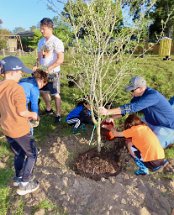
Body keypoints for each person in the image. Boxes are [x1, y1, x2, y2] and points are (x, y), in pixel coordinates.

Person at [0, 56, 39, 195]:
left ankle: (18, 177)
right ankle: (25, 183)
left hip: (6, 128)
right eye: (20, 72)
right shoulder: (17, 89)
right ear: (12, 72)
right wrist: (33, 115)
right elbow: (22, 112)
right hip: (19, 130)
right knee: (33, 154)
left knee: (19, 153)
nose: (22, 74)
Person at [99, 76, 174, 149]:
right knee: (132, 132)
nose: (131, 93)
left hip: (167, 126)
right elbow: (126, 110)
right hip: (151, 120)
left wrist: (107, 112)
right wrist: (112, 117)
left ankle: (167, 143)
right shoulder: (138, 96)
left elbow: (132, 108)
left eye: (132, 90)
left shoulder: (153, 96)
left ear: (141, 88)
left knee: (152, 147)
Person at [103, 114, 168, 175]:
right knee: (137, 143)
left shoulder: (133, 130)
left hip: (152, 163)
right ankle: (160, 163)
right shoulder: (145, 127)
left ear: (129, 124)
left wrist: (110, 127)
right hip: (161, 157)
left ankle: (143, 168)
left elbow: (116, 134)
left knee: (129, 142)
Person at [37, 17, 64, 123]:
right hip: (42, 72)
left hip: (53, 72)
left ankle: (58, 114)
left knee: (55, 94)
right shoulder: (40, 42)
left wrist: (49, 69)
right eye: (41, 28)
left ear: (50, 28)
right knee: (42, 91)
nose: (41, 30)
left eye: (43, 28)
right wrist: (37, 66)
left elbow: (60, 59)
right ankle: (48, 109)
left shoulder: (57, 41)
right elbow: (39, 57)